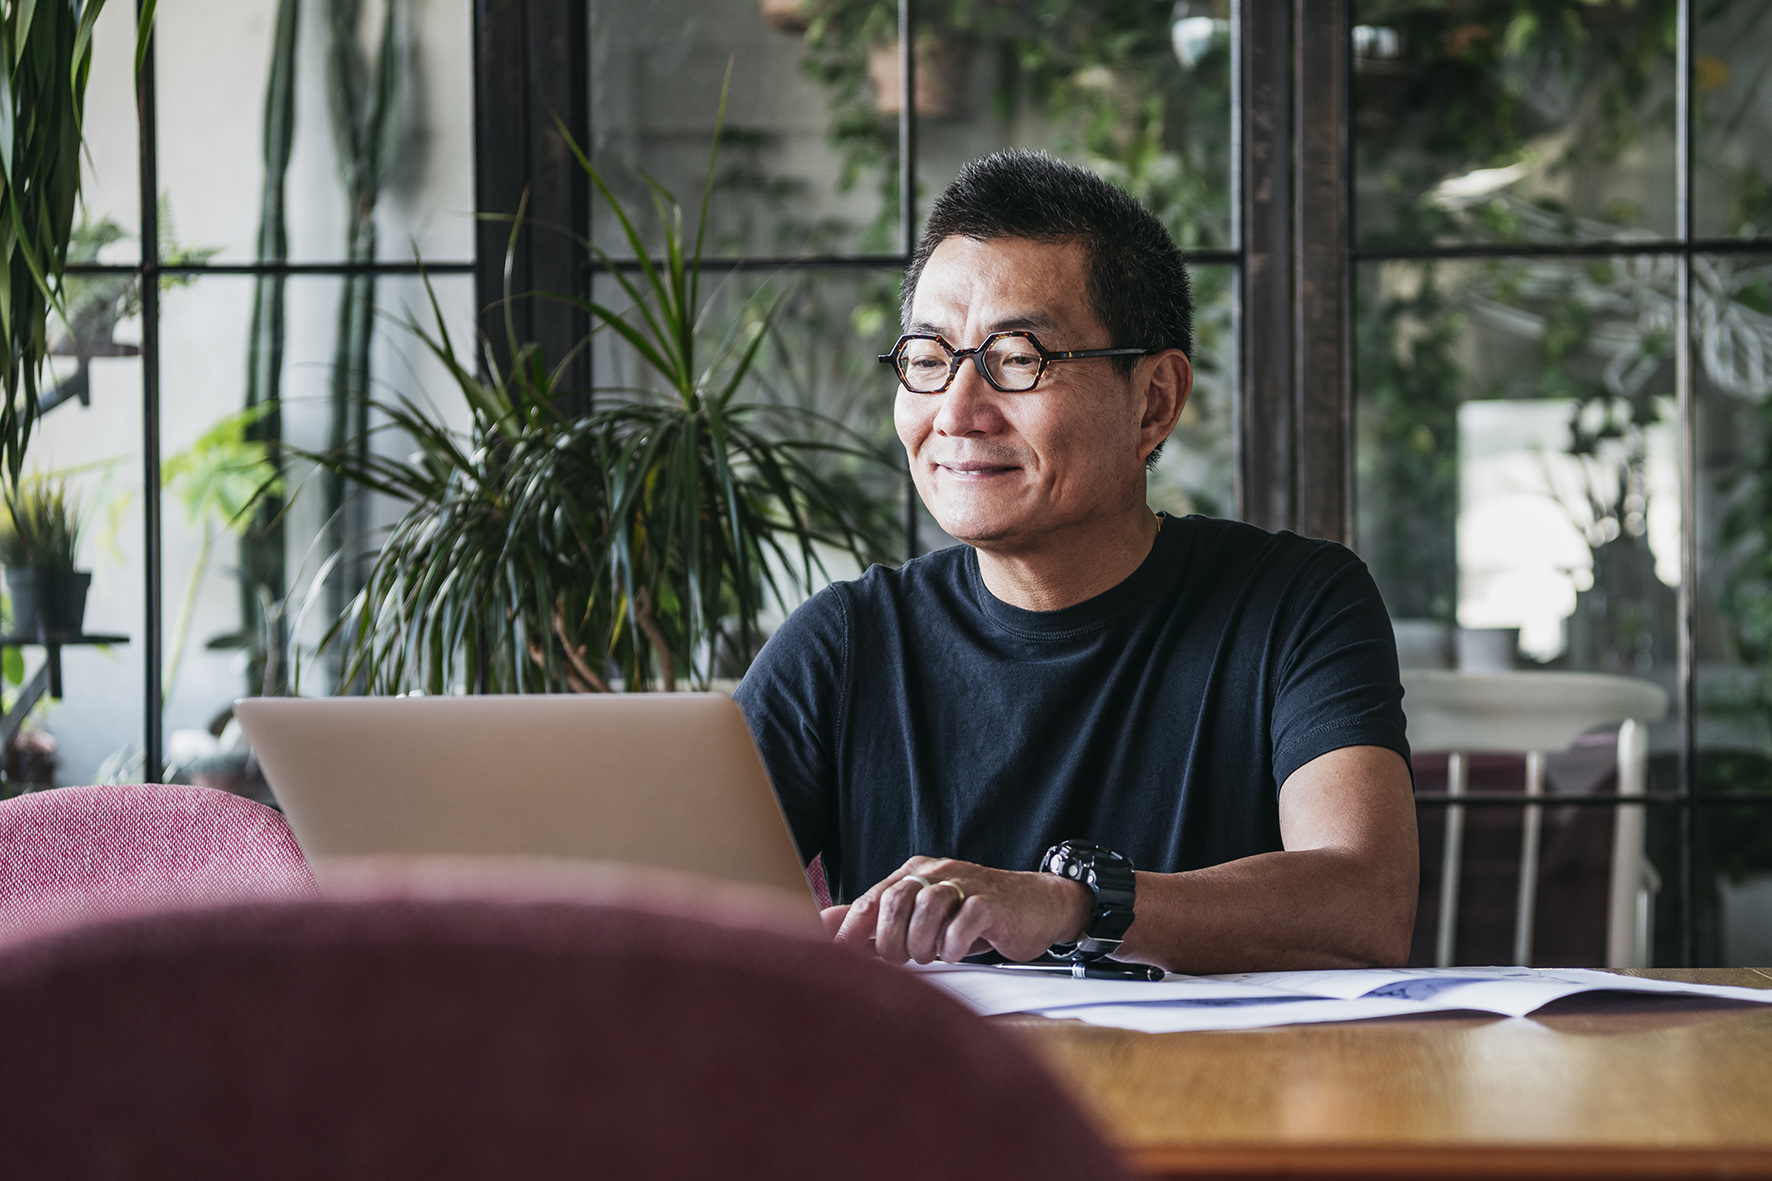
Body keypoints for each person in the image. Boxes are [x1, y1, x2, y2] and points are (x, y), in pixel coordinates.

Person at [734, 150, 1416, 975]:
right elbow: (665, 916)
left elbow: (1364, 904)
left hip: (1225, 1100)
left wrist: (1068, 902)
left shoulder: (1293, 604)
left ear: (1153, 400)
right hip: (930, 1104)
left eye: (1018, 357)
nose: (956, 411)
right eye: (927, 356)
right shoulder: (841, 648)